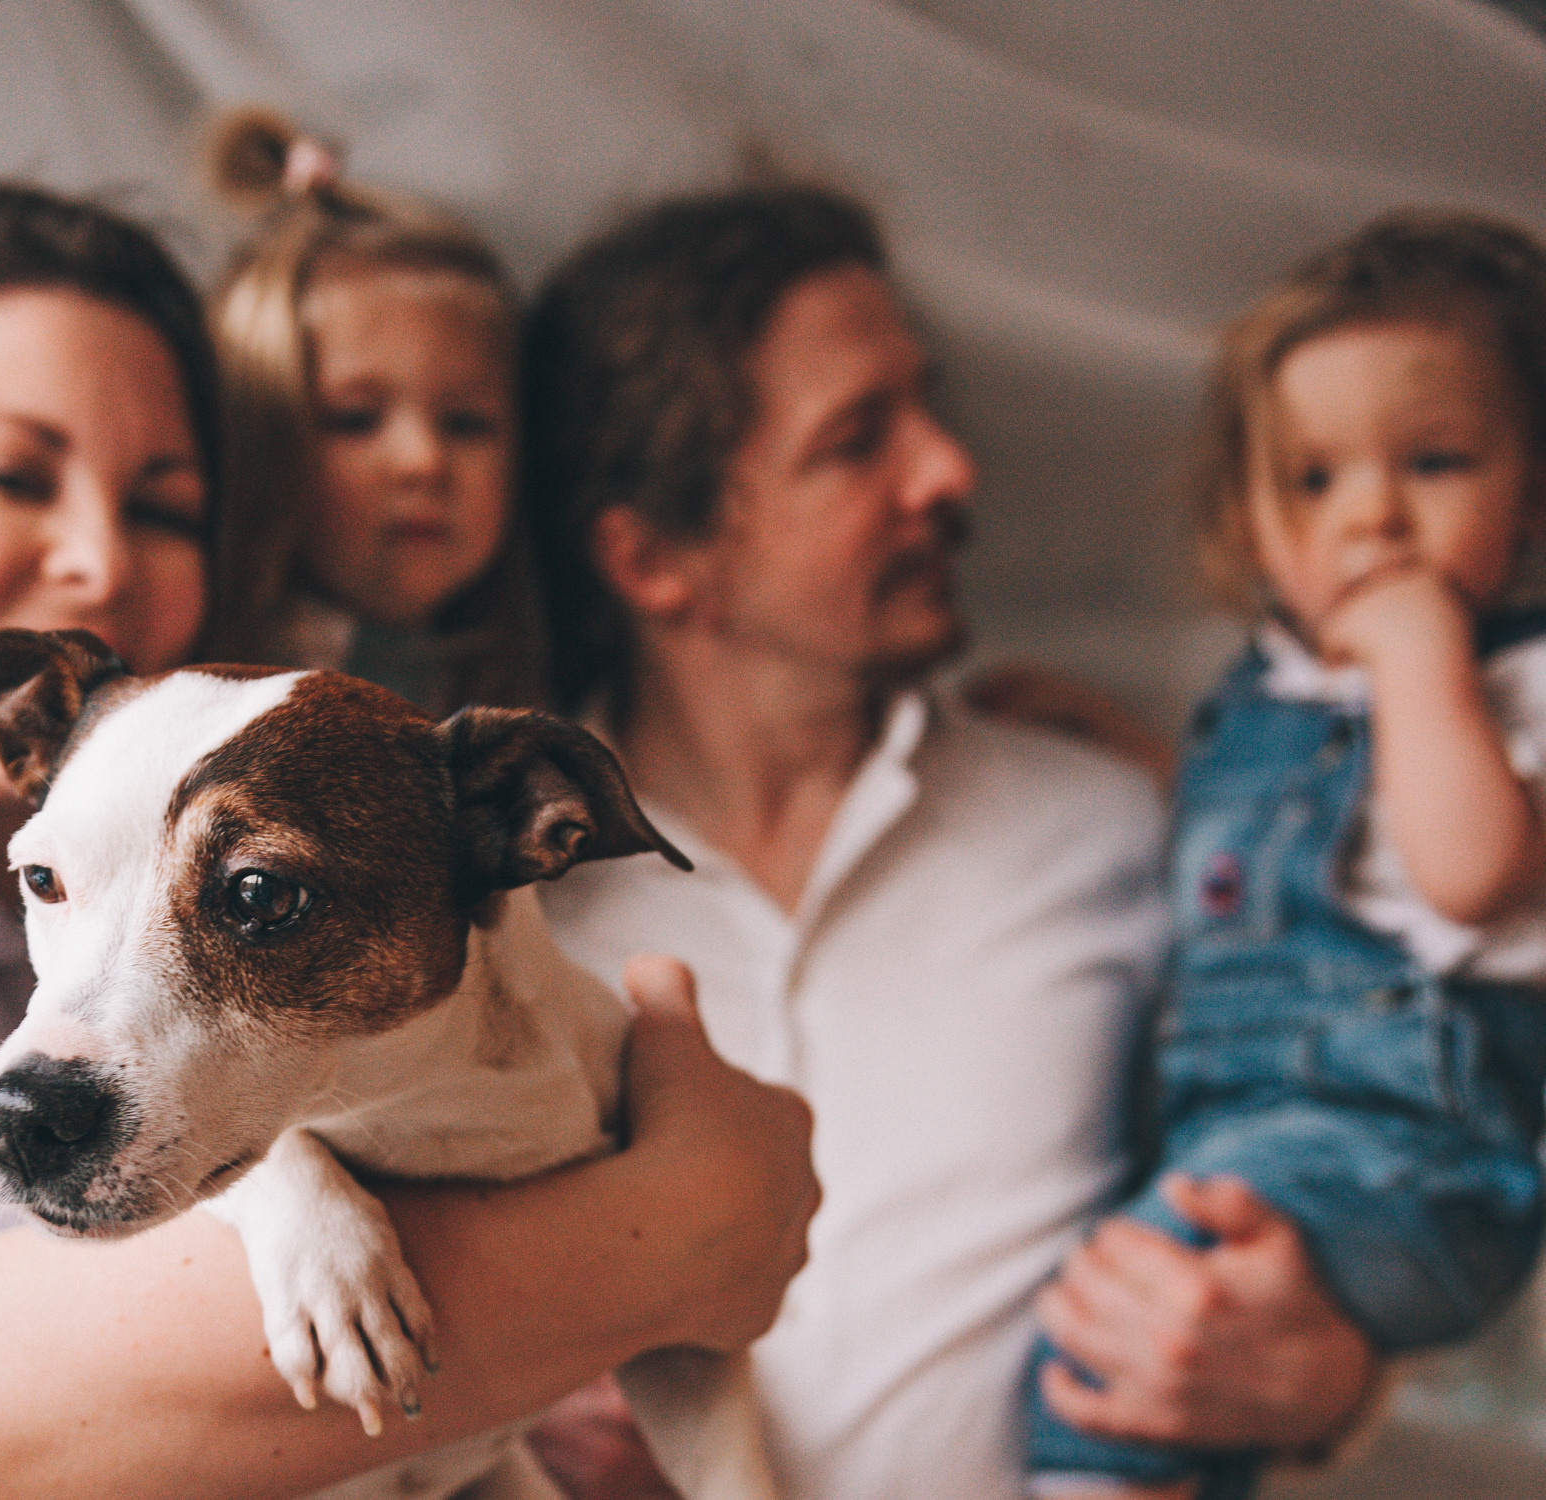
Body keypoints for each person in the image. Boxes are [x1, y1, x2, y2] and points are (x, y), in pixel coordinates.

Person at [0, 183, 820, 1500]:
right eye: (9, 475)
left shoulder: (67, 859)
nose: (97, 557)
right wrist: (664, 1242)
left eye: (163, 506)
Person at [517, 184, 1381, 1500]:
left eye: (923, 410)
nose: (949, 471)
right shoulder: (502, 917)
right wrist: (496, 1409)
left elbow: (1363, 1129)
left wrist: (1324, 1376)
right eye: (860, 441)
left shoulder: (1110, 828)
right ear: (655, 562)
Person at [1025, 210, 1546, 1499]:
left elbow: (1468, 871)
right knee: (1157, 1367)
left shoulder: (1509, 686)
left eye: (1430, 462)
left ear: (1531, 488)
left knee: (1110, 1340)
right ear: (1254, 522)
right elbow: (1288, 853)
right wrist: (1146, 762)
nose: (1368, 518)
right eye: (1313, 479)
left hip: (1416, 1157)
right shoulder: (1275, 690)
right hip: (1262, 1135)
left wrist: (1422, 651)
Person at [203, 107, 546, 713]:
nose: (424, 463)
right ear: (258, 434)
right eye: (355, 420)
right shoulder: (225, 699)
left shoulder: (520, 685)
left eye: (466, 423)